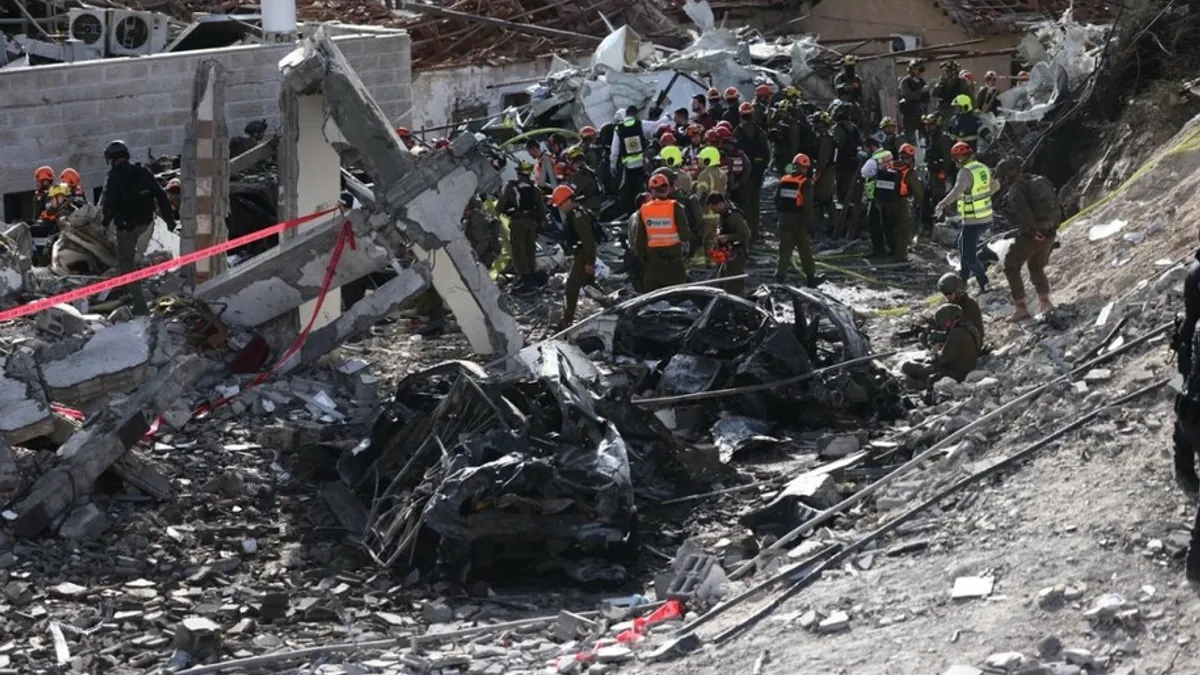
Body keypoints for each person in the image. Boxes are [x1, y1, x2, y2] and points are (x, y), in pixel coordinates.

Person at [100, 139, 177, 316]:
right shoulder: (142, 171)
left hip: (126, 229)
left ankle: (140, 304)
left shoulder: (114, 177)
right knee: (138, 259)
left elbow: (109, 204)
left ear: (110, 159)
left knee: (126, 264)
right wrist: (169, 220)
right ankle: (139, 290)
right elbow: (161, 195)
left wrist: (104, 223)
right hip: (147, 225)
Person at [995, 158, 1059, 320]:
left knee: (1010, 266)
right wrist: (1050, 229)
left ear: (1008, 174)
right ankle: (1045, 302)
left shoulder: (1016, 189)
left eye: (1003, 177)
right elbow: (1057, 205)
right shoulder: (1040, 180)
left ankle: (1021, 308)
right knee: (1036, 267)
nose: (1003, 181)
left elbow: (1024, 213)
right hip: (1050, 233)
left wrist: (1033, 231)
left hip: (1033, 235)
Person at [934, 142, 999, 292]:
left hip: (973, 220)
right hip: (985, 217)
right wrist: (983, 196)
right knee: (962, 245)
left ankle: (984, 283)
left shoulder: (965, 172)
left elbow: (957, 191)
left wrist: (942, 204)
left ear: (961, 158)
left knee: (969, 256)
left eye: (956, 159)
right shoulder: (982, 168)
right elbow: (995, 186)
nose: (955, 162)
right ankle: (963, 280)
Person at [550, 185, 598, 328]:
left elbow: (589, 241)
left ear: (567, 201)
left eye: (561, 204)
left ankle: (566, 322)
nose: (560, 208)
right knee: (590, 286)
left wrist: (589, 262)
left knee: (571, 288)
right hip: (582, 255)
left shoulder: (578, 216)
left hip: (583, 256)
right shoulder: (575, 214)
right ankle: (612, 305)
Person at [496, 160, 547, 292]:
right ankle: (532, 276)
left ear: (518, 173)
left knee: (519, 250)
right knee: (530, 249)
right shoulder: (534, 189)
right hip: (532, 223)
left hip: (518, 222)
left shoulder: (511, 187)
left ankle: (525, 279)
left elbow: (500, 206)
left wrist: (501, 213)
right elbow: (542, 209)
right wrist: (541, 223)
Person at [634, 174, 692, 290]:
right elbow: (685, 235)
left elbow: (639, 240)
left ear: (651, 190)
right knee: (678, 296)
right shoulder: (675, 207)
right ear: (667, 189)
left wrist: (642, 258)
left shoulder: (644, 209)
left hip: (653, 263)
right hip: (674, 262)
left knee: (653, 297)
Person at [901, 304, 982, 384]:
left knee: (908, 366)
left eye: (945, 322)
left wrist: (937, 351)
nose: (943, 326)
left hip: (955, 373)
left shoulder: (955, 333)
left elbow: (943, 359)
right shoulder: (971, 328)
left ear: (951, 319)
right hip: (968, 367)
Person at [872, 142, 923, 261]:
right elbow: (918, 193)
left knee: (889, 228)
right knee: (903, 230)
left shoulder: (888, 166)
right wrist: (916, 205)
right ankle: (900, 256)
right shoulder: (909, 172)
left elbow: (877, 184)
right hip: (900, 203)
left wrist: (878, 201)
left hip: (884, 203)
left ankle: (892, 250)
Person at [775, 153, 818, 287]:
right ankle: (811, 278)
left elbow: (776, 200)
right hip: (800, 221)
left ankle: (779, 277)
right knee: (805, 250)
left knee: (785, 250)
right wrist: (810, 225)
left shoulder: (784, 179)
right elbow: (808, 206)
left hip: (784, 219)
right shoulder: (806, 182)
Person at [610, 106, 658, 215]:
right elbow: (655, 127)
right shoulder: (641, 124)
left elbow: (615, 149)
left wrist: (612, 164)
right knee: (644, 189)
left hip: (629, 166)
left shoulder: (618, 128)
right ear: (636, 114)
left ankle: (631, 213)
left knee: (630, 191)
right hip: (643, 165)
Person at [705, 192, 751, 295]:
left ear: (720, 204)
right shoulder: (723, 215)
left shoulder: (733, 216)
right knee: (722, 279)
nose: (713, 211)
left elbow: (746, 234)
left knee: (733, 284)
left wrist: (728, 237)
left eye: (714, 208)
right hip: (726, 253)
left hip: (736, 254)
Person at [735, 101, 771, 233]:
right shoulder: (760, 132)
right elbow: (768, 153)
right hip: (758, 173)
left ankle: (748, 231)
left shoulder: (738, 132)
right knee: (755, 202)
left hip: (744, 175)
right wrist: (762, 168)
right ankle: (755, 229)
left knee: (745, 203)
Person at [922, 113, 955, 232]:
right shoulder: (931, 137)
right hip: (931, 172)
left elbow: (947, 158)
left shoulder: (943, 138)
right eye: (926, 125)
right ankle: (929, 223)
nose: (927, 127)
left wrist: (943, 172)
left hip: (939, 173)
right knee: (927, 197)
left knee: (939, 198)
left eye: (930, 125)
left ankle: (940, 224)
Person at [860, 141, 892, 258]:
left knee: (874, 224)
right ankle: (892, 248)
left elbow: (864, 172)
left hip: (875, 196)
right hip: (888, 195)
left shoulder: (873, 160)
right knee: (888, 224)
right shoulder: (887, 154)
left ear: (872, 147)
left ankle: (879, 250)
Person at [937, 272, 984, 341]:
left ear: (957, 290)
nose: (947, 296)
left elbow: (962, 328)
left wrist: (943, 336)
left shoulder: (970, 304)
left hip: (970, 341)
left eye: (949, 293)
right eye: (945, 294)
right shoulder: (951, 304)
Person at [811, 112, 838, 224]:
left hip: (825, 172)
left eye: (817, 123)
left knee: (819, 198)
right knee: (827, 198)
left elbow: (823, 159)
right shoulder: (826, 137)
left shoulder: (825, 139)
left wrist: (817, 174)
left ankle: (821, 223)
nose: (815, 125)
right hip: (828, 171)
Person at [897, 59, 929, 142]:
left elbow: (926, 98)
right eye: (916, 69)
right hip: (910, 113)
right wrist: (921, 91)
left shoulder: (921, 81)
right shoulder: (906, 81)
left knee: (924, 135)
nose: (918, 72)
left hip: (921, 112)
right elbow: (909, 95)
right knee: (910, 136)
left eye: (919, 70)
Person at [567, 145, 603, 213]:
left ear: (572, 160)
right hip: (594, 203)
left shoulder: (580, 174)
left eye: (569, 160)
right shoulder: (587, 169)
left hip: (589, 208)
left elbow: (570, 192)